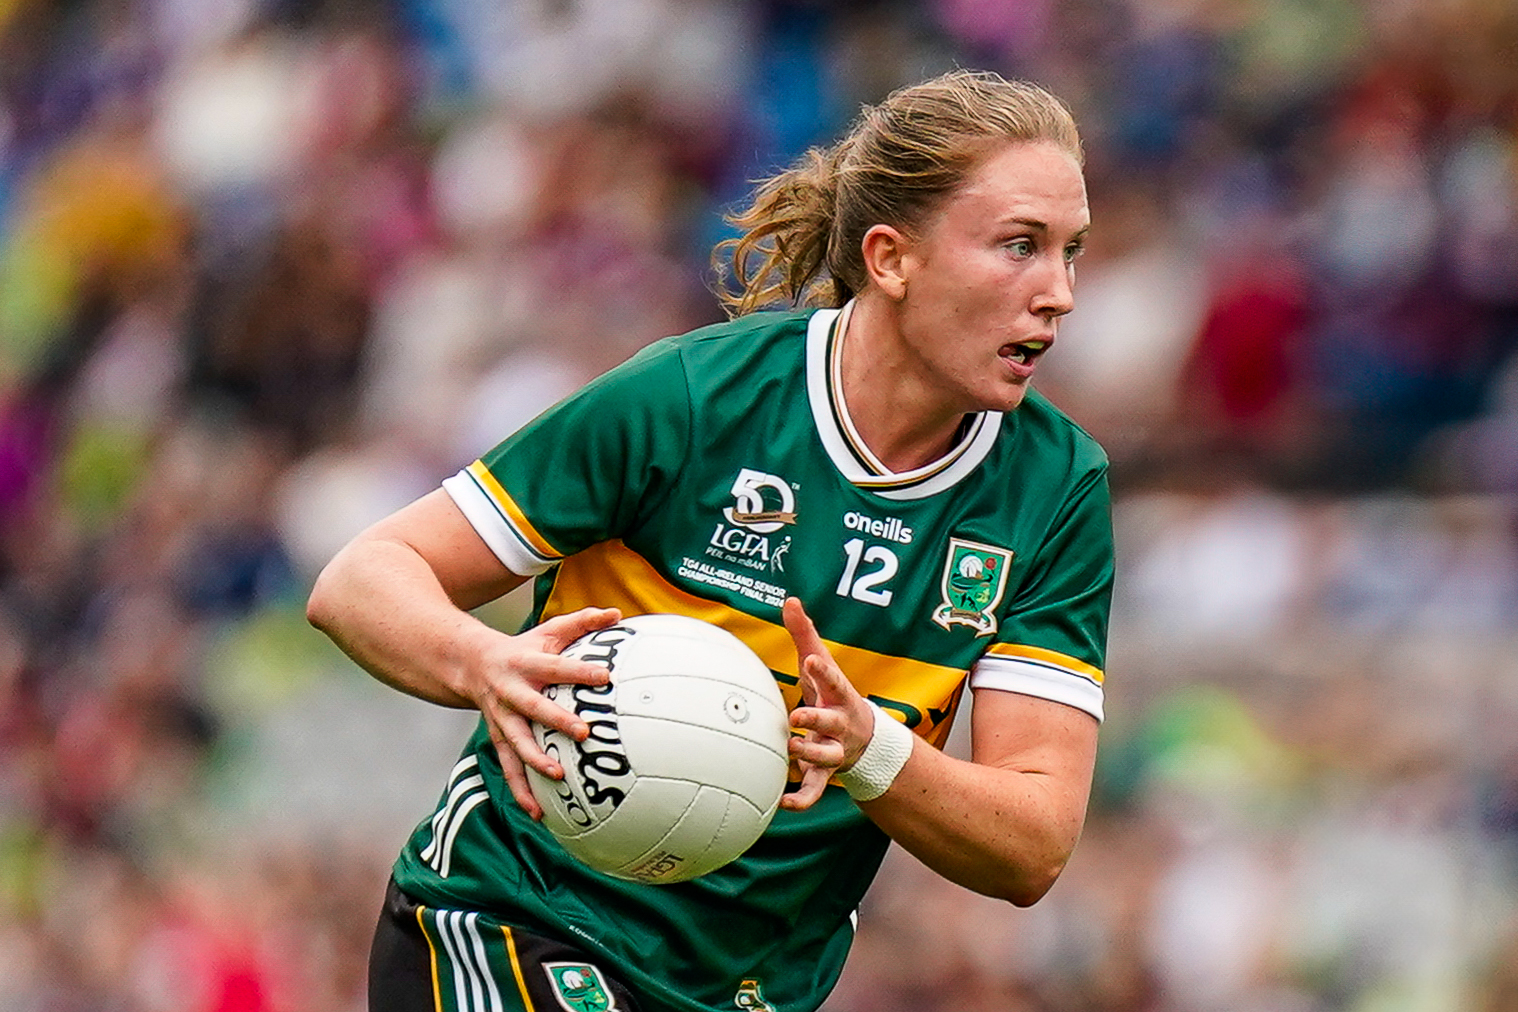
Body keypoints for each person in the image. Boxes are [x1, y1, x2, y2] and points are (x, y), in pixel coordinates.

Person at [308, 69, 1112, 1012]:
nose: (1058, 293)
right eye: (1020, 247)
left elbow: (1033, 841)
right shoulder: (695, 401)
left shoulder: (1056, 490)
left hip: (746, 989)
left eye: (1072, 252)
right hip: (512, 920)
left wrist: (869, 750)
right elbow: (362, 579)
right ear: (892, 259)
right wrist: (484, 661)